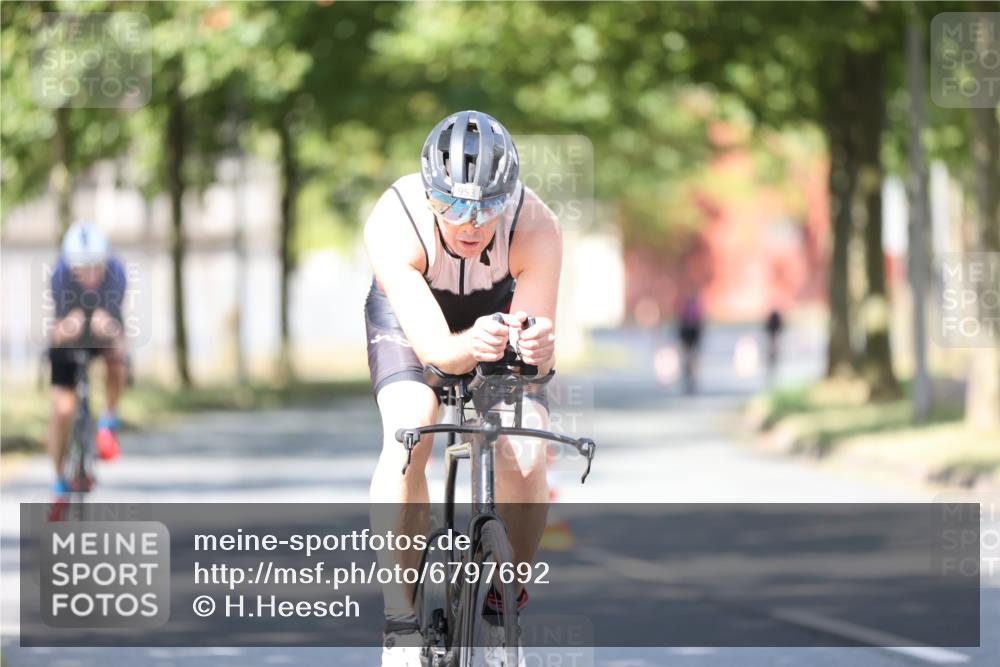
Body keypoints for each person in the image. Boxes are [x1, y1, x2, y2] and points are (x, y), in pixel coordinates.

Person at [363, 110, 560, 666]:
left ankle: (503, 604)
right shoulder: (393, 220)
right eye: (451, 206)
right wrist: (470, 345)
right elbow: (438, 354)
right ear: (429, 196)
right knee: (410, 429)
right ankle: (401, 622)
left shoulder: (536, 224)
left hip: (495, 312)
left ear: (509, 196)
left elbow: (536, 364)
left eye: (487, 206)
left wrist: (539, 350)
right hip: (414, 321)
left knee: (525, 444)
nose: (470, 222)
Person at [47, 221, 127, 495]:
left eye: (96, 267)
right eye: (82, 269)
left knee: (117, 356)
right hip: (69, 337)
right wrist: (67, 327)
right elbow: (55, 332)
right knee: (63, 410)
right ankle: (59, 479)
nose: (90, 275)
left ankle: (108, 419)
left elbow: (118, 329)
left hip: (101, 332)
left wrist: (108, 327)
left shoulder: (116, 272)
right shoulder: (59, 275)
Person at [677, 293, 704, 394]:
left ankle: (691, 375)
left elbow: (699, 324)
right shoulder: (690, 308)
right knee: (690, 357)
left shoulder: (692, 308)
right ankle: (689, 374)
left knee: (691, 357)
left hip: (691, 334)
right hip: (688, 334)